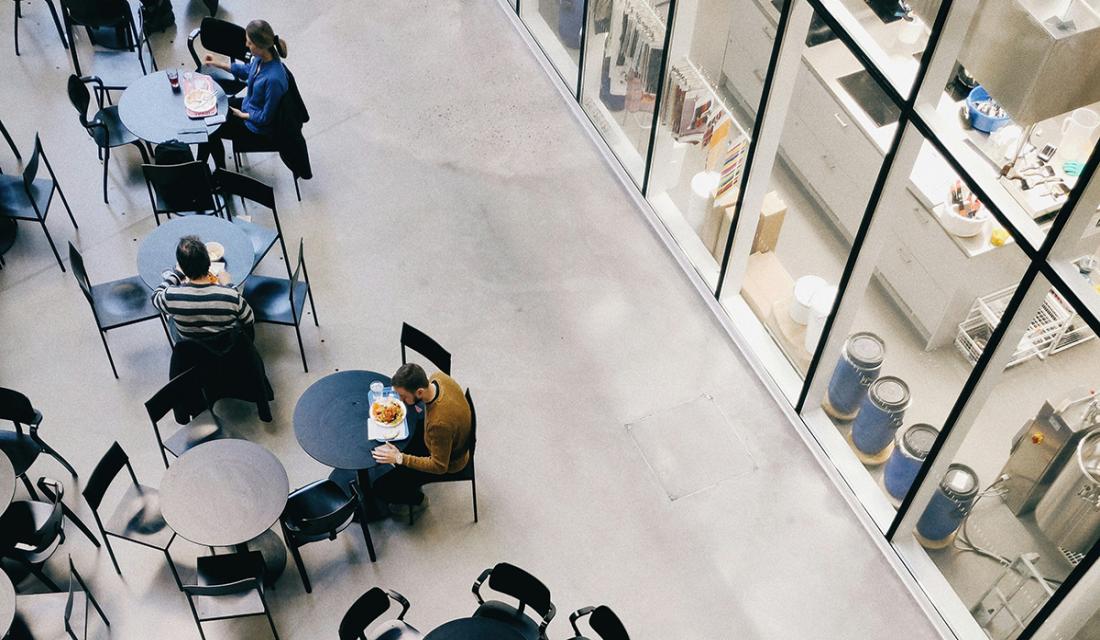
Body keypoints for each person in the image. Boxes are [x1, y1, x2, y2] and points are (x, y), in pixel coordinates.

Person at [371, 363, 472, 516]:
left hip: (450, 461)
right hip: (441, 440)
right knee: (402, 441)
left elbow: (439, 466)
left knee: (381, 487)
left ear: (419, 392)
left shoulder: (439, 424)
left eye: (404, 397)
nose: (401, 400)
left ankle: (418, 500)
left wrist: (399, 458)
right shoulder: (438, 378)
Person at [197, 19, 289, 169]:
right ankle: (200, 166)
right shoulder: (262, 58)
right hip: (248, 106)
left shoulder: (274, 80)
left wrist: (242, 115)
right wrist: (217, 63)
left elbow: (266, 118)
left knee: (210, 129)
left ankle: (219, 173)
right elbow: (246, 71)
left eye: (249, 43)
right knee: (210, 111)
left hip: (255, 126)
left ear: (260, 46)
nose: (246, 45)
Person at [152, 235, 254, 341]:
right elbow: (249, 319)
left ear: (182, 268)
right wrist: (230, 286)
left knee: (171, 320)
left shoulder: (170, 297)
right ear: (209, 262)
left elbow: (155, 296)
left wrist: (176, 275)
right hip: (225, 346)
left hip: (190, 347)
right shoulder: (231, 296)